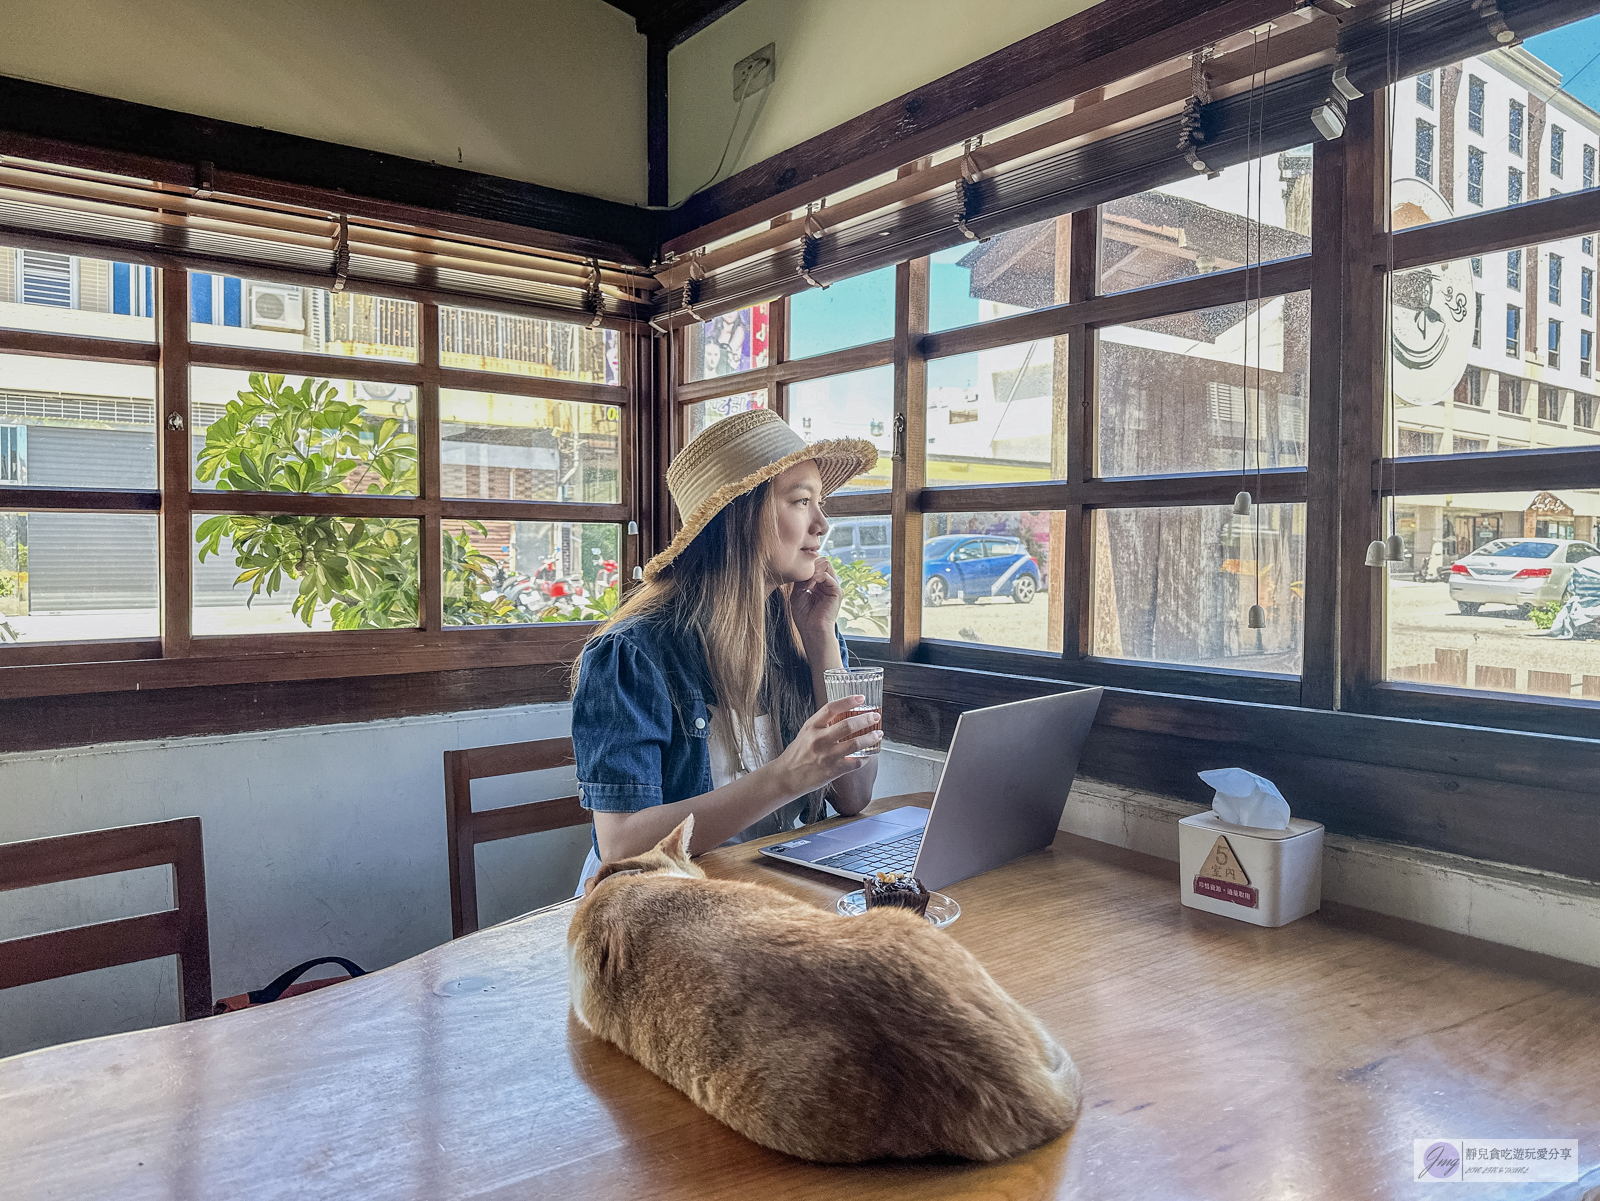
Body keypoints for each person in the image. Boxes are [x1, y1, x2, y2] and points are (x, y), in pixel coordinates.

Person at [570, 408, 882, 891]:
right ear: (740, 518)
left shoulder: (806, 629)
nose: (822, 524)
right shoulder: (632, 654)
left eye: (819, 503)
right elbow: (622, 846)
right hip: (655, 910)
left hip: (763, 897)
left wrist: (821, 640)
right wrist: (785, 776)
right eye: (802, 502)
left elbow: (855, 795)